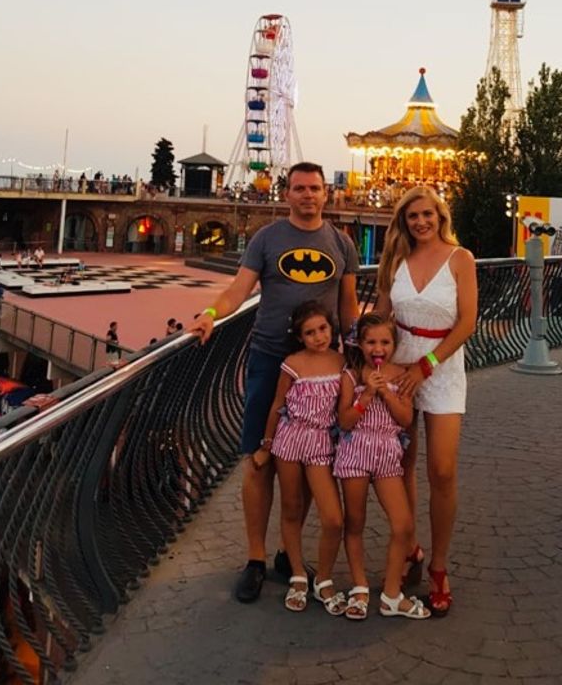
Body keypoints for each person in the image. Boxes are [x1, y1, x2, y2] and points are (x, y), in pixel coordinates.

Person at [188, 161, 359, 604]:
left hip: (320, 368)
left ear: (327, 194)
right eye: (299, 188)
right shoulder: (267, 239)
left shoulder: (341, 243)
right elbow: (238, 290)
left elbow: (348, 308)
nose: (307, 195)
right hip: (269, 359)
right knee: (259, 458)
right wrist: (210, 315)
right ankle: (255, 557)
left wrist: (361, 355)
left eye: (315, 188)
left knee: (304, 463)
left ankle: (290, 551)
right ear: (287, 194)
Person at [375, 186, 477, 617]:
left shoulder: (461, 259)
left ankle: (439, 563)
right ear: (404, 221)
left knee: (442, 468)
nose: (420, 222)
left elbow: (468, 322)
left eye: (427, 215)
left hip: (441, 368)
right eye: (413, 216)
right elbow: (382, 319)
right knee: (401, 464)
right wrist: (376, 366)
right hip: (400, 367)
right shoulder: (395, 261)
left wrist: (427, 366)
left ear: (440, 217)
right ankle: (410, 545)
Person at [335, 313, 429, 620]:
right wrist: (366, 395)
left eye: (385, 342)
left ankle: (391, 593)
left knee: (402, 525)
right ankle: (359, 586)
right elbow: (345, 421)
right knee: (355, 522)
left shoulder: (401, 374)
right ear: (360, 345)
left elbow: (405, 419)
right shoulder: (351, 376)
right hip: (356, 451)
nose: (378, 348)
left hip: (388, 454)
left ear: (394, 344)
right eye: (371, 342)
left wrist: (385, 391)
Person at [255, 301, 346, 615]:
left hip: (322, 441)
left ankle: (323, 577)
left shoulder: (342, 363)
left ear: (331, 328)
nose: (318, 337)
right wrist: (267, 444)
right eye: (310, 332)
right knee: (292, 507)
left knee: (333, 517)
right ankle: (297, 576)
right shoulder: (292, 364)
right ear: (300, 337)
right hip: (290, 440)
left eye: (322, 329)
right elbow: (278, 405)